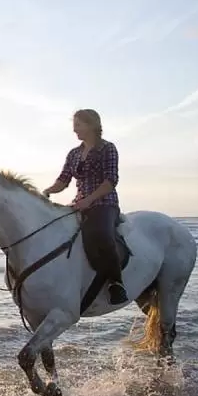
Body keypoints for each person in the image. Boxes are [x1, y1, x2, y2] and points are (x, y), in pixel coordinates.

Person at [41, 109, 128, 304]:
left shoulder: (107, 148)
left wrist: (89, 200)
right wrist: (46, 191)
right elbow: (63, 181)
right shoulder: (74, 153)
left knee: (101, 234)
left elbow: (110, 181)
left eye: (78, 124)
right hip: (79, 204)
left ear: (91, 125)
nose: (74, 129)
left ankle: (116, 283)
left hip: (105, 204)